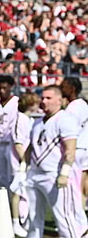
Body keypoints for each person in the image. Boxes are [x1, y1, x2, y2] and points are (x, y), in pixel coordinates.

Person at [26, 85, 88, 238]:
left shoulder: (65, 119)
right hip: (35, 174)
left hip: (54, 175)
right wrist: (23, 168)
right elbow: (30, 148)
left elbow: (70, 149)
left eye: (48, 98)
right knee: (33, 218)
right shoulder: (37, 122)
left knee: (64, 219)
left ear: (59, 100)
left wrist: (64, 173)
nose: (44, 101)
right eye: (43, 98)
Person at [9, 92, 41, 237]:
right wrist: (25, 161)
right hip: (20, 162)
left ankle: (27, 220)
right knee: (17, 191)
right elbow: (18, 144)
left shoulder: (30, 120)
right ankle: (16, 222)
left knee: (27, 191)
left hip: (27, 162)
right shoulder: (19, 119)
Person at [60, 77, 88, 208]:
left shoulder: (71, 109)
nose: (61, 88)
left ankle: (78, 219)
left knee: (74, 188)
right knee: (82, 186)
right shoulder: (83, 104)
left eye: (64, 86)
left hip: (76, 150)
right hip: (84, 148)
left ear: (72, 89)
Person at [0, 75, 19, 190]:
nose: (2, 91)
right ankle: (3, 204)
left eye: (4, 88)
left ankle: (16, 203)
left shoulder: (16, 102)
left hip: (11, 142)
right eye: (0, 88)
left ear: (10, 87)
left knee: (13, 174)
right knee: (1, 176)